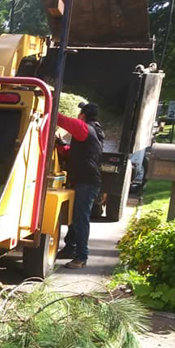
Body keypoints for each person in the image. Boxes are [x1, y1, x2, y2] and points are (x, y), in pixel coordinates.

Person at [55, 101, 104, 269]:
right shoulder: (94, 131)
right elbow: (79, 153)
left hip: (86, 182)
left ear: (82, 115)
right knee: (75, 217)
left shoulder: (83, 128)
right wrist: (62, 147)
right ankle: (70, 248)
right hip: (87, 180)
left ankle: (81, 257)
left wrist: (48, 103)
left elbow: (59, 118)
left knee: (80, 219)